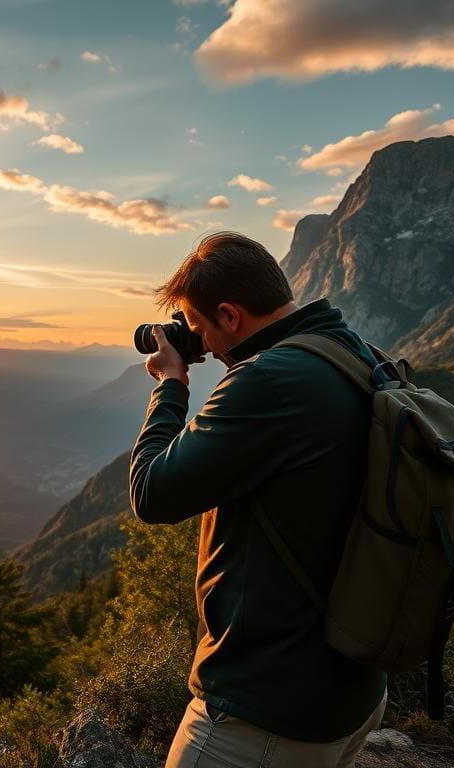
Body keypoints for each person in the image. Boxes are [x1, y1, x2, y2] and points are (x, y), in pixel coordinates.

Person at [129, 232, 387, 768]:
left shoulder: (269, 380)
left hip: (263, 710)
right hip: (351, 690)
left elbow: (151, 493)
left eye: (199, 327)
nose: (201, 342)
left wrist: (170, 384)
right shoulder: (348, 352)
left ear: (229, 314)